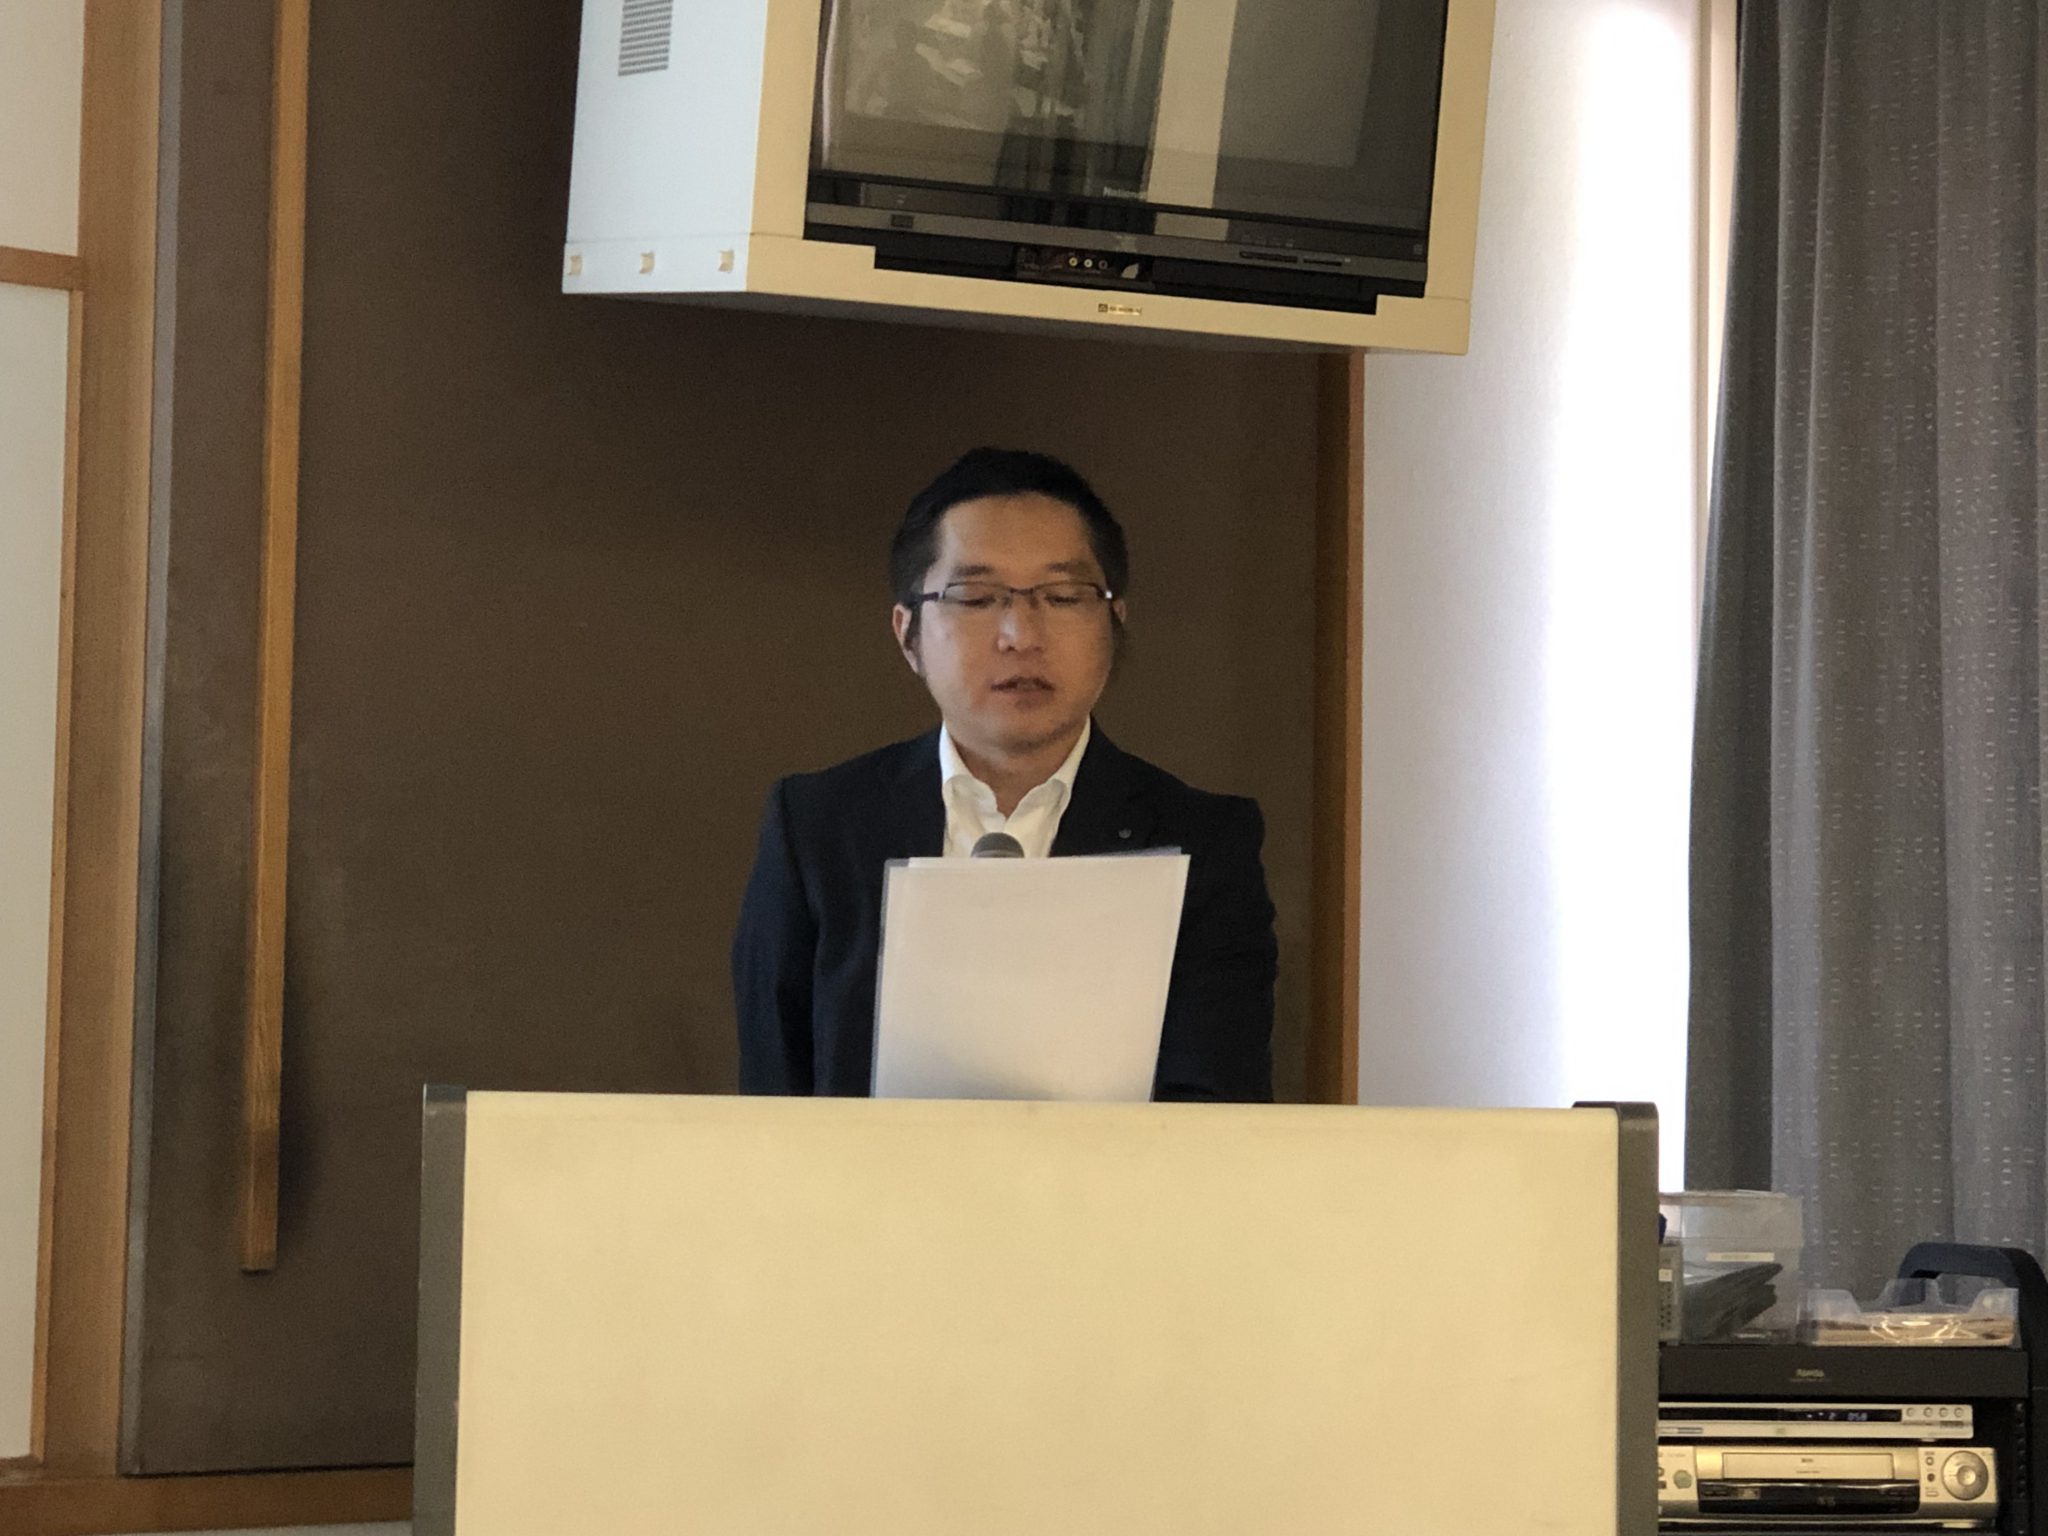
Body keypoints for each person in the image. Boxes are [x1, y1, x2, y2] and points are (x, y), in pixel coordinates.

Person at [732, 447, 1276, 1100]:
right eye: (976, 598)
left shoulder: (1205, 841)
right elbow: (771, 1099)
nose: (1020, 634)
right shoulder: (818, 826)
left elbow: (1221, 1110)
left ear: (1115, 623)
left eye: (1063, 596)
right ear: (908, 634)